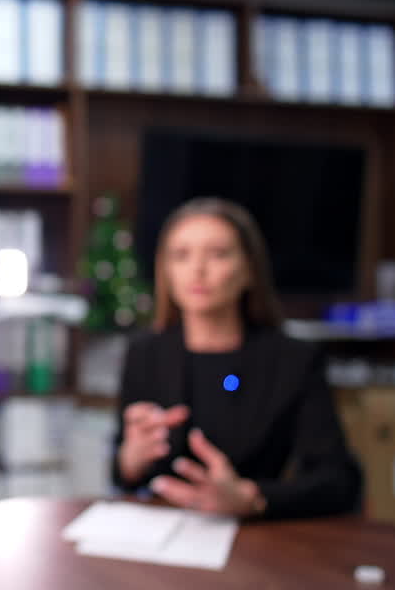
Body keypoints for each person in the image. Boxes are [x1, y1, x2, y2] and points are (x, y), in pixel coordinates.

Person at [112, 197, 361, 520]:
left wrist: (251, 498)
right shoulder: (145, 354)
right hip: (162, 532)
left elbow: (338, 482)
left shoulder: (294, 360)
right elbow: (122, 473)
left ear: (249, 270)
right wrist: (131, 458)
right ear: (166, 271)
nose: (198, 270)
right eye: (181, 255)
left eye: (218, 254)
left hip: (257, 537)